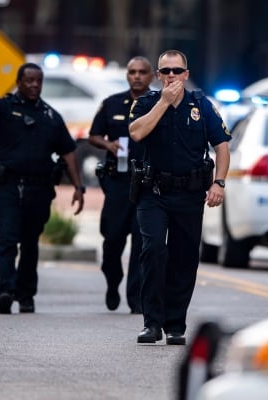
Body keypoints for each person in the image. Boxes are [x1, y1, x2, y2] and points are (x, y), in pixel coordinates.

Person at [0, 62, 85, 314]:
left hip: (39, 189)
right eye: (29, 80)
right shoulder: (3, 107)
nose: (34, 85)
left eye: (38, 81)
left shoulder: (51, 116)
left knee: (30, 242)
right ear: (19, 82)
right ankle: (6, 290)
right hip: (6, 185)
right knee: (7, 239)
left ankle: (26, 294)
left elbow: (69, 153)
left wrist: (78, 187)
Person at [129, 50, 231, 345]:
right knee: (153, 250)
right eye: (165, 71)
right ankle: (152, 323)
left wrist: (219, 183)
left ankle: (175, 325)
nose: (171, 76)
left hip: (189, 193)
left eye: (177, 71)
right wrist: (163, 102)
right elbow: (136, 133)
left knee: (184, 258)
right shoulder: (147, 103)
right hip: (154, 193)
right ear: (158, 75)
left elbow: (222, 146)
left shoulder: (201, 106)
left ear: (186, 74)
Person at [88, 56, 154, 314]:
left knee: (141, 242)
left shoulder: (159, 104)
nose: (136, 76)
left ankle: (136, 298)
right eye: (132, 72)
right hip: (118, 181)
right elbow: (93, 135)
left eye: (142, 72)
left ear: (151, 76)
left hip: (146, 182)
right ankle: (112, 281)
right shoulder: (112, 103)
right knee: (112, 240)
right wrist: (108, 145)